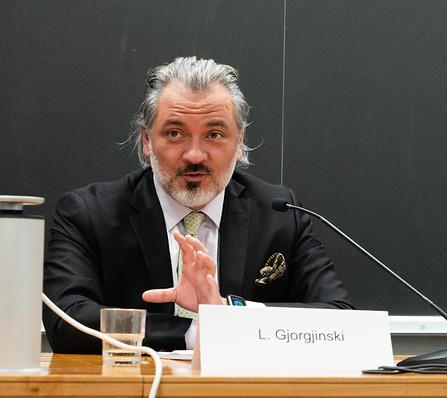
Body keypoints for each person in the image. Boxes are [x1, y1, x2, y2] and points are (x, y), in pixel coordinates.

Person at [44, 56, 352, 353]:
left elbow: (340, 318)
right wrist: (195, 332)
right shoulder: (89, 214)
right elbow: (67, 321)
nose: (195, 155)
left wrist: (227, 311)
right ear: (147, 140)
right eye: (175, 133)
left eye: (214, 134)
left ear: (240, 141)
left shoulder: (280, 213)